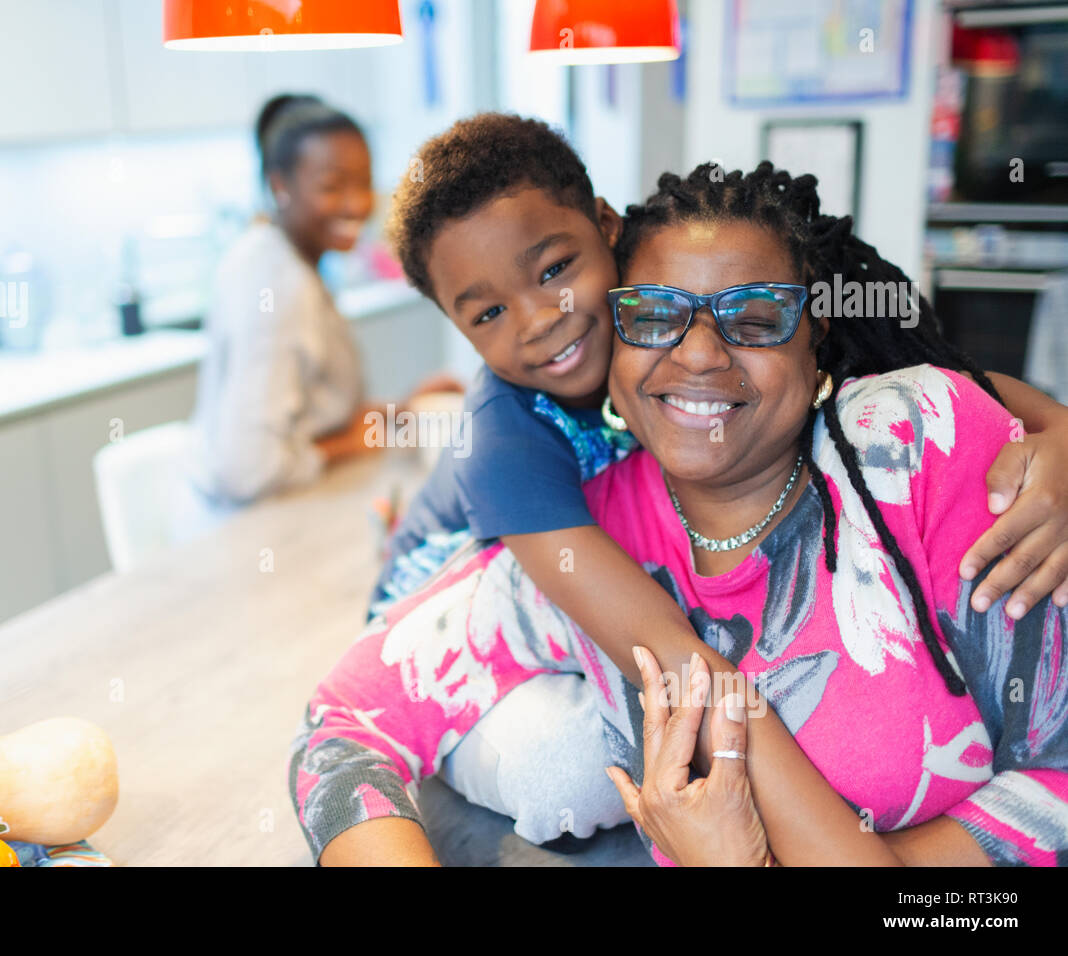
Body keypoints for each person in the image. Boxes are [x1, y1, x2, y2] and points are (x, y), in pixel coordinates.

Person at [289, 159, 1068, 866]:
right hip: (445, 545)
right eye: (656, 316)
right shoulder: (574, 533)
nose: (698, 354)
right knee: (553, 769)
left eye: (756, 317)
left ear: (816, 335)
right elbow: (344, 723)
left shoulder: (918, 443)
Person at [185, 94, 380, 527]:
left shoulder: (290, 260)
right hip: (248, 537)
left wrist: (394, 413)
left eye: (364, 182)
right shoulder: (276, 283)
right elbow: (247, 468)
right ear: (279, 186)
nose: (356, 204)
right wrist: (352, 442)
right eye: (332, 186)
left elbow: (308, 408)